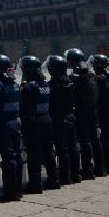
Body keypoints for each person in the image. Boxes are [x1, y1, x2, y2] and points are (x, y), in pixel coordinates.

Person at [0, 54, 23, 202]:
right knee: (17, 156)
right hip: (15, 123)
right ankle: (17, 189)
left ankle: (10, 192)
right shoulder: (15, 84)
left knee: (8, 158)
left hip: (3, 125)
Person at [19, 55, 59, 192]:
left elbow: (23, 106)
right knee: (48, 151)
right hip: (47, 120)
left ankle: (35, 184)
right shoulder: (45, 84)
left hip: (34, 122)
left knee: (33, 153)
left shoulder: (28, 87)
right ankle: (54, 179)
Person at [66, 48, 103, 179]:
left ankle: (88, 169)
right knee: (95, 139)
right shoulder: (89, 69)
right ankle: (100, 167)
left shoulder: (79, 72)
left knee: (85, 141)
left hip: (83, 110)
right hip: (93, 109)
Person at [47, 55, 80, 184]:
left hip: (58, 118)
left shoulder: (52, 85)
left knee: (62, 149)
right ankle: (76, 174)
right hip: (70, 116)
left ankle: (65, 176)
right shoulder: (71, 83)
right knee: (73, 147)